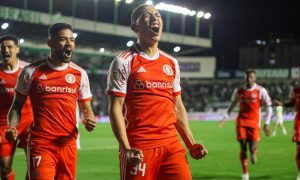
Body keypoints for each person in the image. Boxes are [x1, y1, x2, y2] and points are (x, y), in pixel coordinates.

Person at [106, 4, 208, 180]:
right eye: (147, 16)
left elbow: (177, 107)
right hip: (139, 147)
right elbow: (115, 108)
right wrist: (126, 148)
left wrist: (191, 143)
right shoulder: (124, 61)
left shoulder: (171, 62)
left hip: (172, 146)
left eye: (158, 15)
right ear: (134, 27)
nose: (155, 19)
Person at [5, 23, 96, 180]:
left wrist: (89, 119)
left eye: (72, 40)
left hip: (68, 145)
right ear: (50, 42)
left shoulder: (80, 74)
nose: (69, 44)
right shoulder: (30, 72)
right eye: (63, 39)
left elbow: (86, 108)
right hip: (41, 144)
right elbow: (16, 106)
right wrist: (12, 126)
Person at [219, 69, 272, 180]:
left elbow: (269, 106)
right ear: (245, 77)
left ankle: (253, 152)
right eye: (247, 77)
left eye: (251, 77)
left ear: (255, 78)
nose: (249, 79)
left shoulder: (261, 90)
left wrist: (267, 123)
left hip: (254, 123)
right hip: (241, 122)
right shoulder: (239, 90)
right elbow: (233, 104)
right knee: (243, 147)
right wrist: (225, 117)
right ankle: (245, 174)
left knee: (252, 147)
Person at [0, 35, 33, 180]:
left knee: (34, 166)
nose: (5, 50)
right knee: (4, 169)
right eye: (2, 48)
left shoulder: (28, 70)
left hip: (28, 123)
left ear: (17, 49)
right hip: (4, 125)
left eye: (9, 47)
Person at [273, 79, 300, 180]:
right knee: (299, 149)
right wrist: (282, 104)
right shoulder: (296, 90)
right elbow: (293, 103)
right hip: (299, 122)